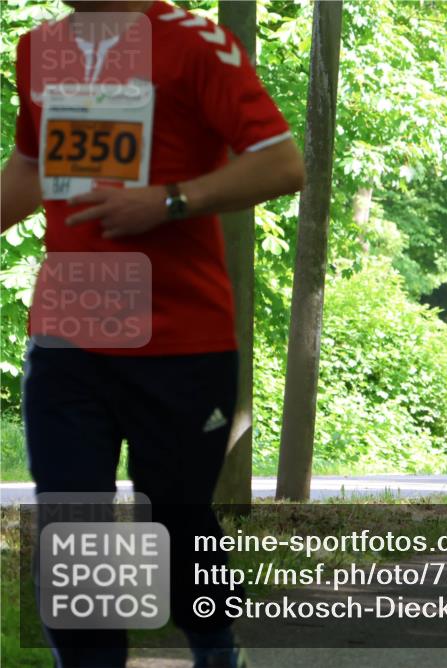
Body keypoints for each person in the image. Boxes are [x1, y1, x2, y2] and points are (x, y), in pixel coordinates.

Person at [1, 2, 305, 666]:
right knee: (71, 528)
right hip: (70, 332)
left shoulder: (194, 43)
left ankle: (217, 649)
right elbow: (30, 165)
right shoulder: (41, 49)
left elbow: (283, 164)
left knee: (175, 522)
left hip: (181, 341)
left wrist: (172, 199)